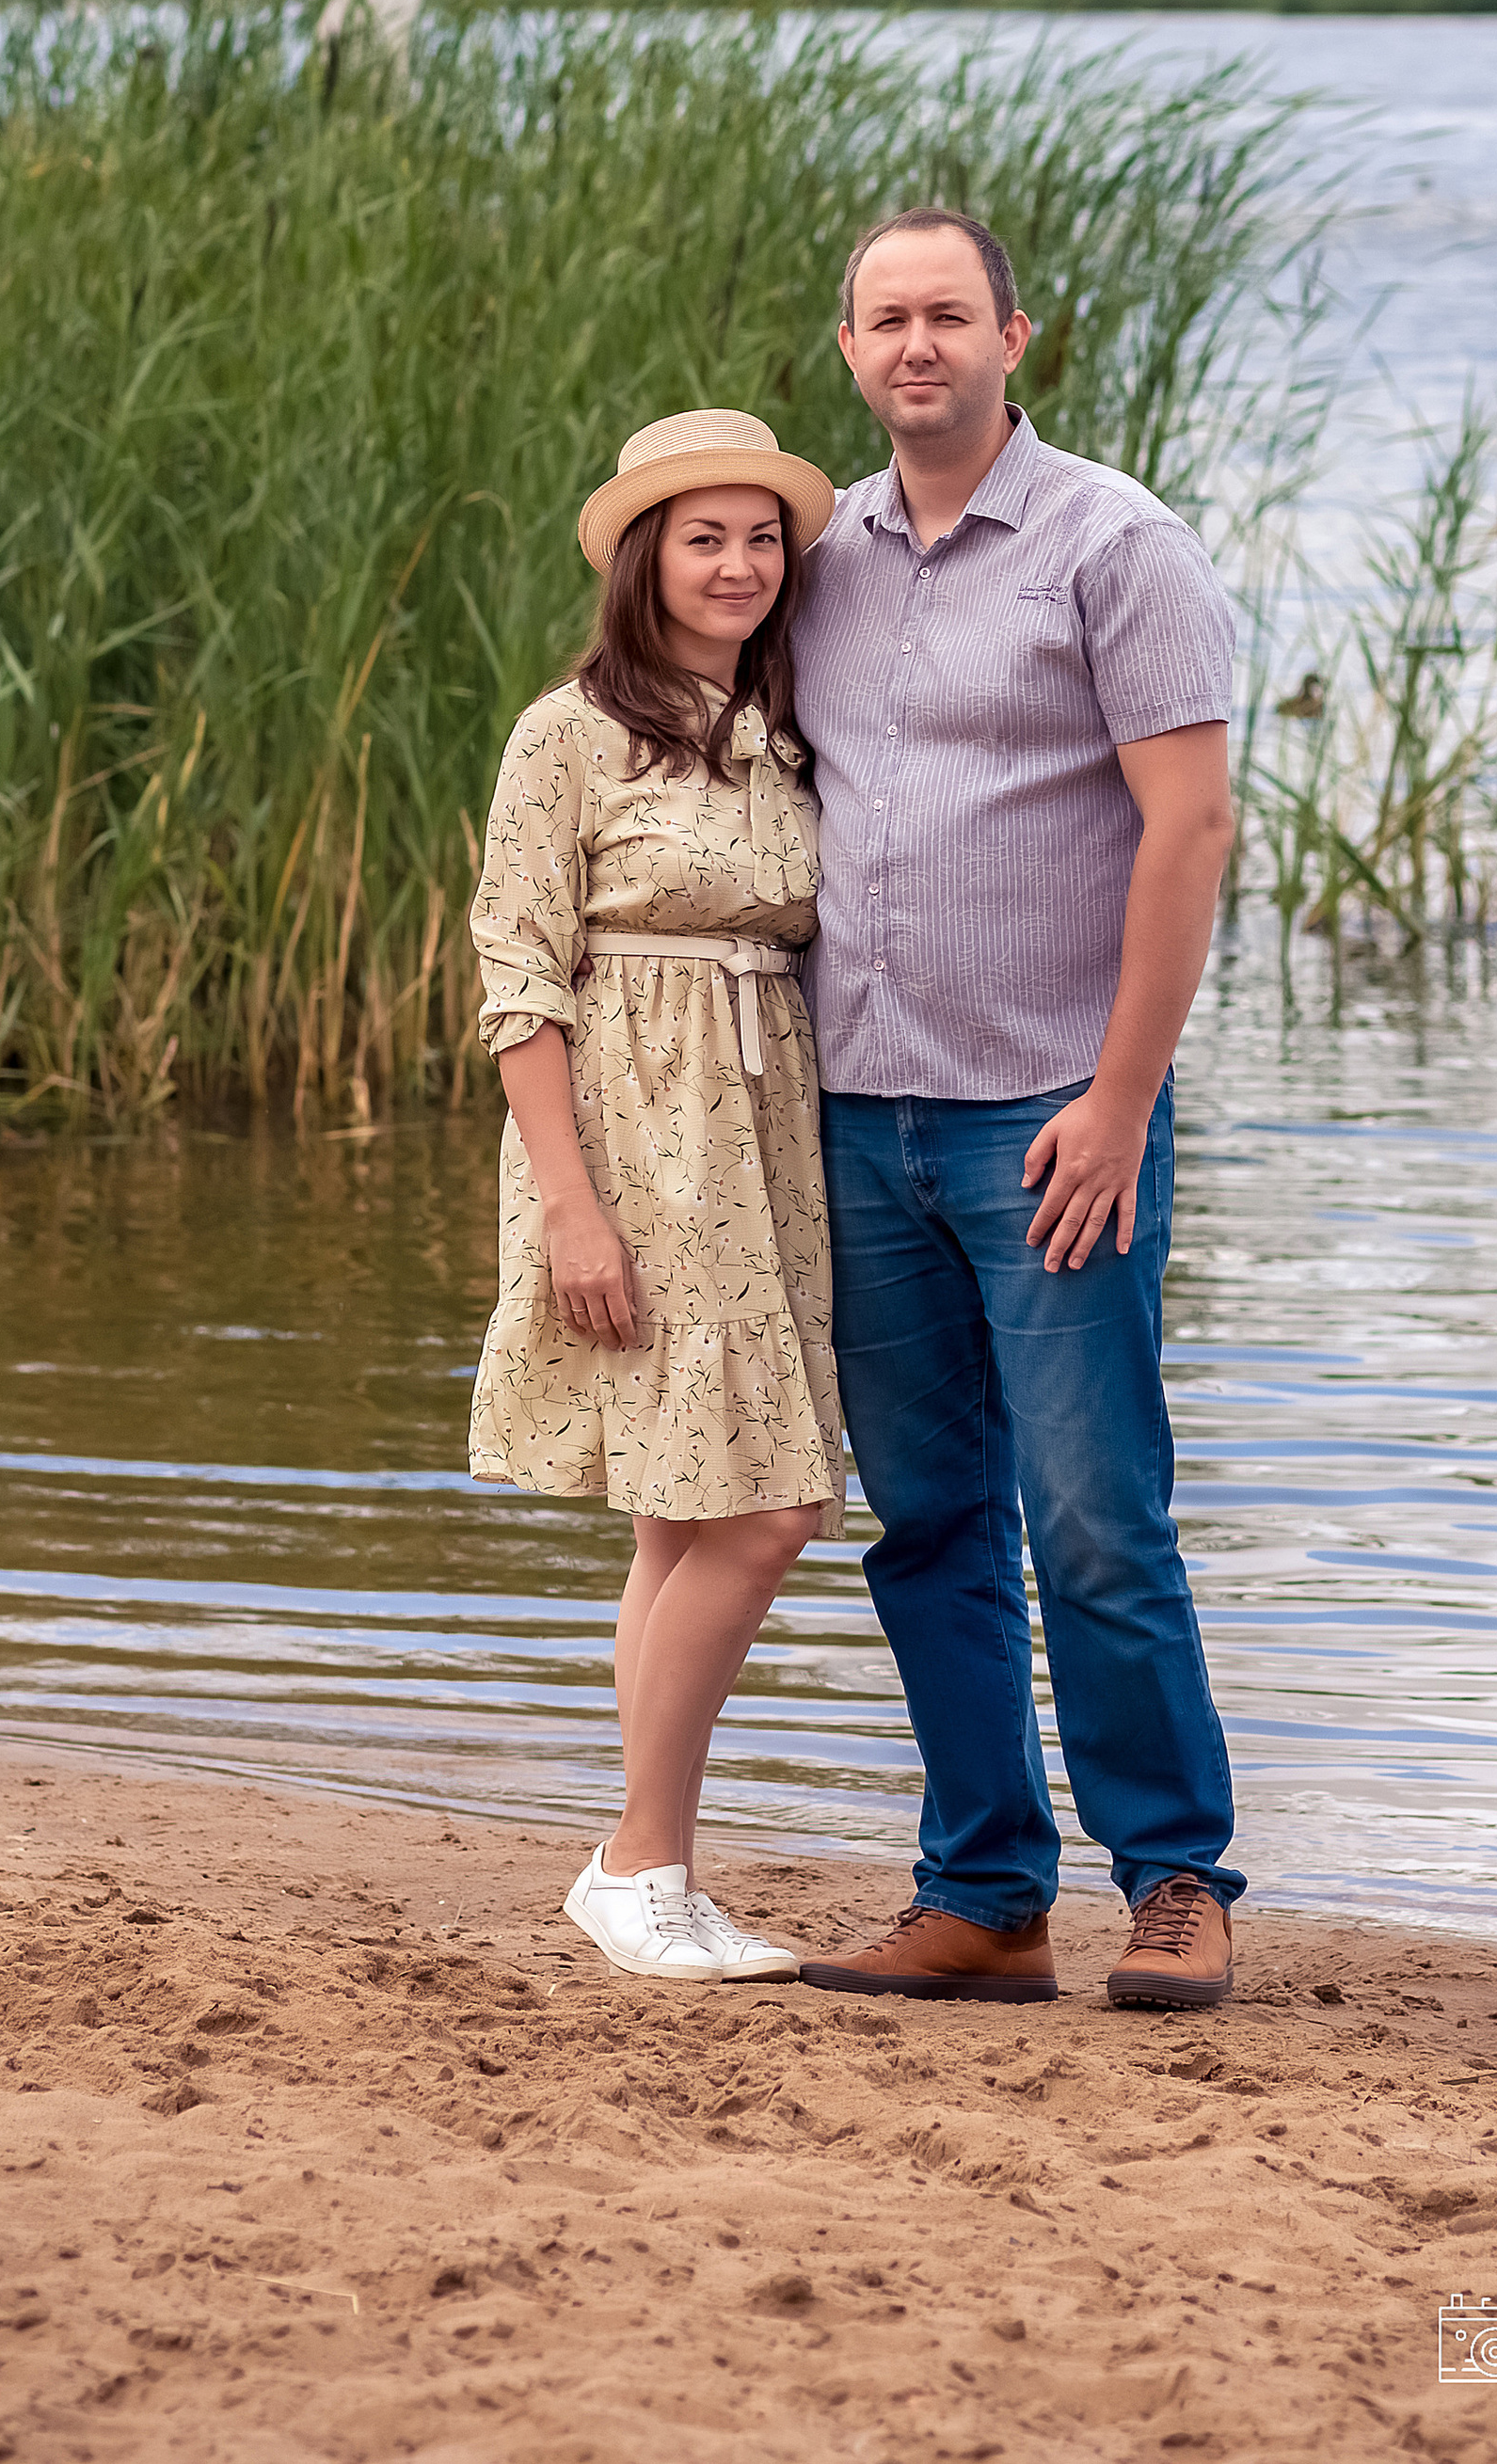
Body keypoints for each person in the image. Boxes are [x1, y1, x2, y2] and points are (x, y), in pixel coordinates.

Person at [791, 208, 1245, 2011]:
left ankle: (1176, 1878)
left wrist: (1123, 1095)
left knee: (1096, 1516)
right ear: (849, 348)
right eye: (888, 318)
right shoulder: (816, 550)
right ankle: (985, 1890)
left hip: (1052, 1115)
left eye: (951, 315)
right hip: (862, 1112)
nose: (921, 345)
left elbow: (1191, 827)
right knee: (928, 1520)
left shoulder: (1113, 545)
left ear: (1014, 337)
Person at [467, 408, 841, 1982]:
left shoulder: (783, 721)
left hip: (762, 1134)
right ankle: (643, 1856)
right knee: (772, 1507)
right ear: (646, 555)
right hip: (632, 1134)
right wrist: (570, 1203)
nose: (742, 563)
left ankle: (644, 1871)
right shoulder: (569, 729)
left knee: (681, 1511)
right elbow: (515, 968)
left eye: (765, 536)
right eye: (707, 536)